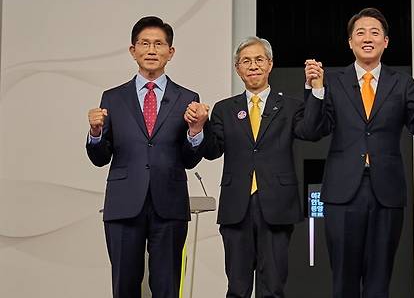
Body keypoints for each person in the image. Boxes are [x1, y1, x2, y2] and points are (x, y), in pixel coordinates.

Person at [303, 7, 414, 298]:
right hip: (342, 193)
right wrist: (316, 90)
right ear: (350, 42)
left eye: (375, 33)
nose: (367, 38)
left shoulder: (402, 83)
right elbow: (312, 130)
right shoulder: (332, 81)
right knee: (344, 280)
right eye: (360, 33)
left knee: (379, 280)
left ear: (386, 41)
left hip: (386, 192)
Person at [86, 16, 208, 298]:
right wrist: (95, 133)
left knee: (167, 287)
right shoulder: (112, 98)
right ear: (133, 50)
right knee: (124, 286)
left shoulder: (187, 98)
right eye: (144, 43)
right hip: (124, 203)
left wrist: (196, 131)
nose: (151, 50)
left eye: (159, 44)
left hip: (169, 204)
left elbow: (190, 159)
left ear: (170, 52)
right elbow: (100, 157)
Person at [188, 36, 320, 298]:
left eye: (259, 59)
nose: (253, 66)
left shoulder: (290, 106)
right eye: (246, 61)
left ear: (270, 64)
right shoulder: (224, 109)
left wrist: (315, 90)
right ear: (237, 68)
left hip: (277, 205)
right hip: (237, 206)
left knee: (273, 288)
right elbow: (213, 151)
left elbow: (311, 131)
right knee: (237, 288)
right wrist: (197, 128)